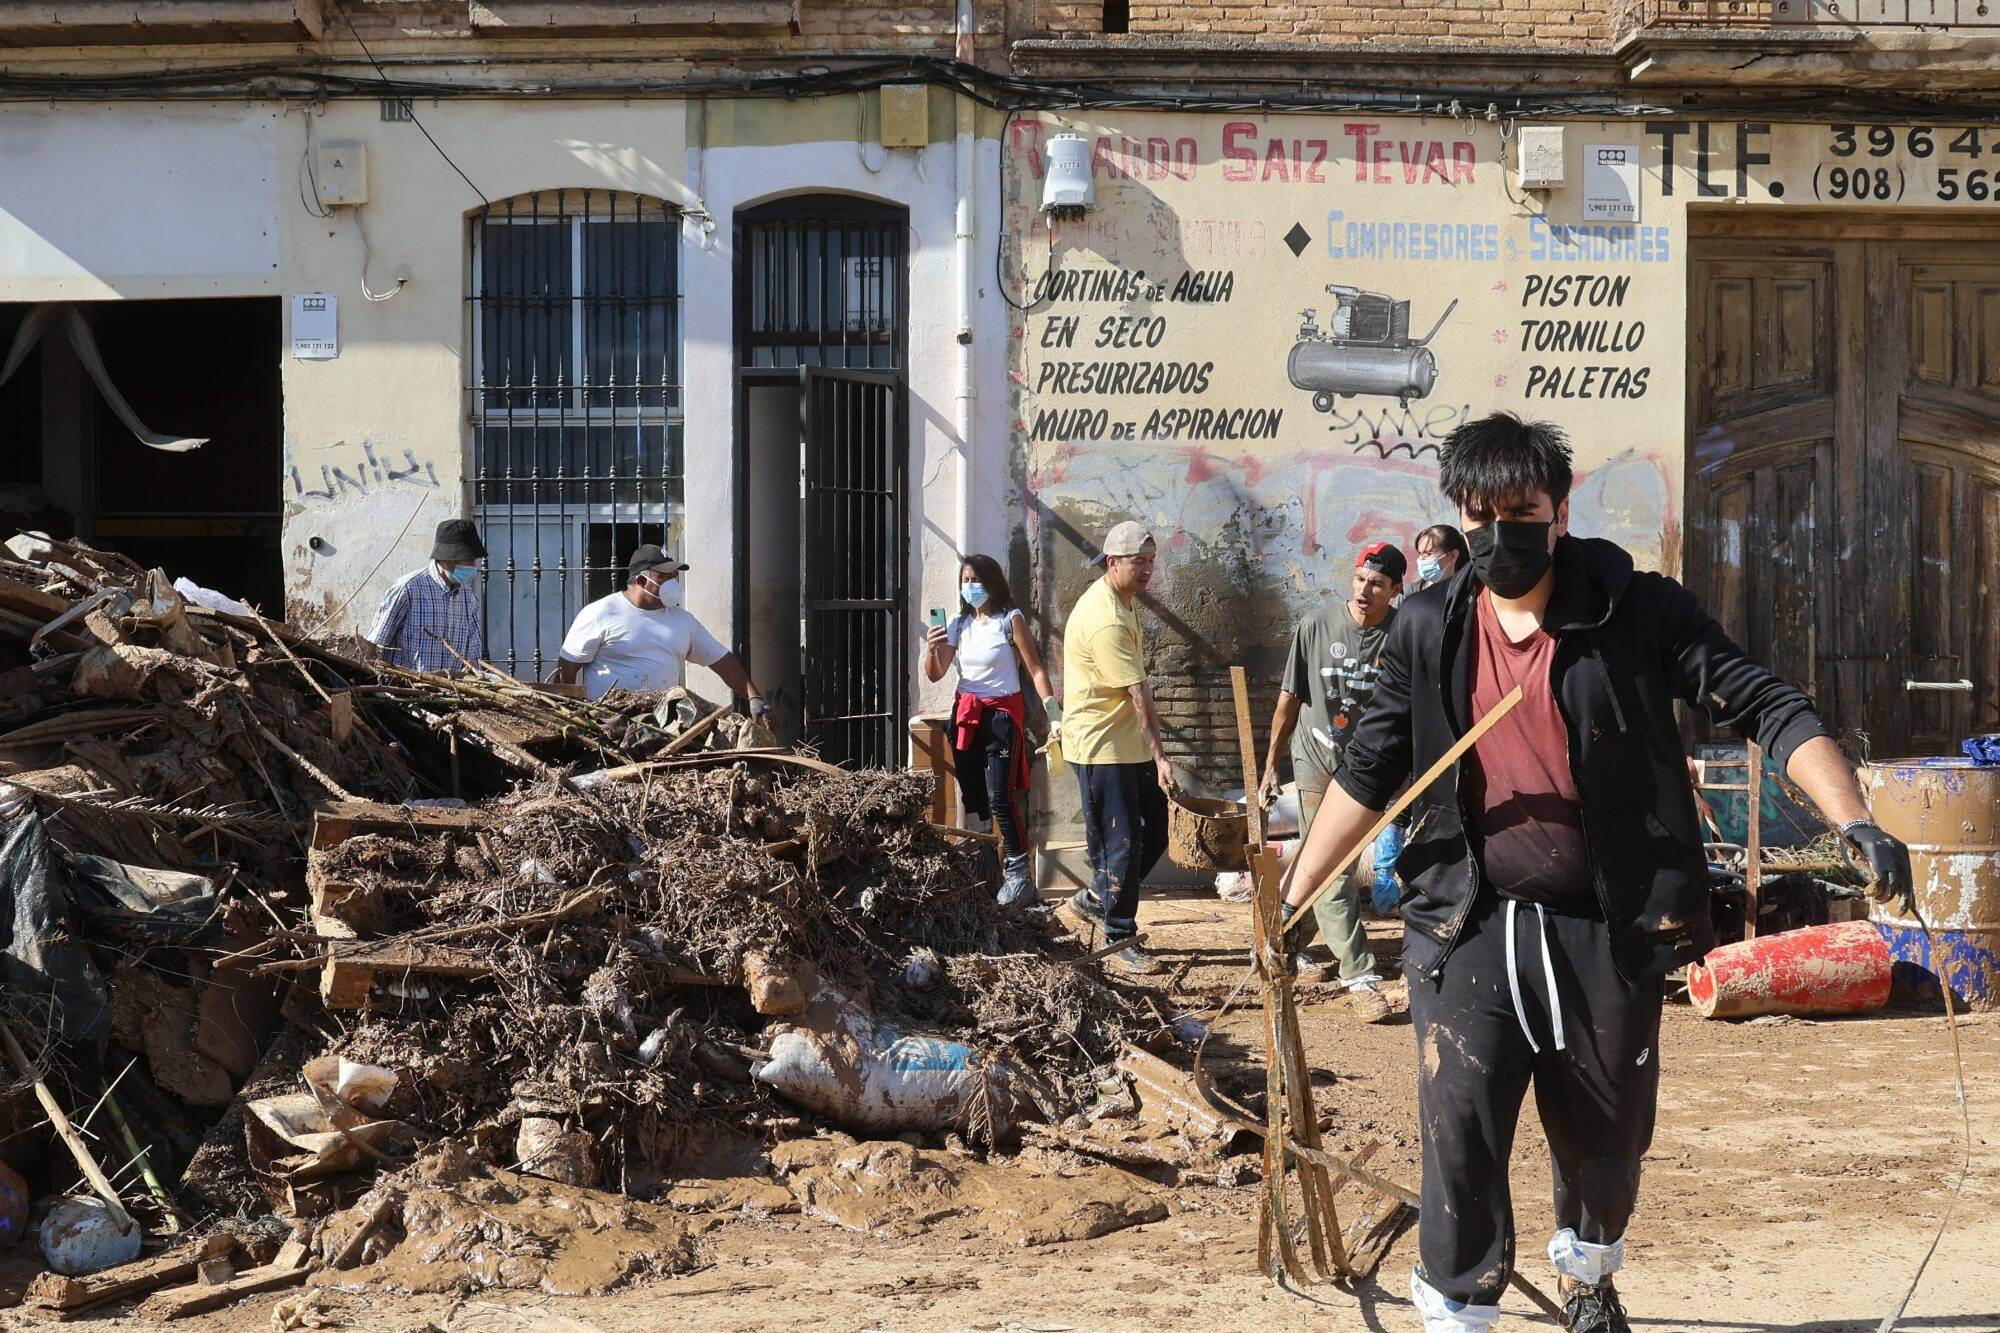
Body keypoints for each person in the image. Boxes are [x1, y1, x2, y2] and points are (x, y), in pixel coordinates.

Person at [1276, 413, 1913, 1333]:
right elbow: (1368, 773)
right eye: (1480, 515)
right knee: (1460, 1132)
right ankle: (1456, 1310)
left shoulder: (1636, 612)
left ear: (1560, 510)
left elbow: (1769, 706)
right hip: (1468, 919)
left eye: (1521, 511)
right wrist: (1291, 899)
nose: (1500, 534)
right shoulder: (1429, 625)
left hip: (1610, 925)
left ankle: (1588, 1271)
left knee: (1607, 1147)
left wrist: (1852, 817)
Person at [1258, 541, 1405, 1022]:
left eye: (1377, 584)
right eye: (1360, 579)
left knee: (1318, 864)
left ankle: (1283, 937)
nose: (1365, 591)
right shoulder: (1316, 626)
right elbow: (1288, 701)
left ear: (1395, 590)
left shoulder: (1403, 634)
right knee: (1337, 866)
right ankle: (1359, 975)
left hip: (1370, 770)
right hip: (1317, 759)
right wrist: (1269, 769)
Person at [1060, 521, 1175, 974]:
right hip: (1102, 746)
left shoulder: (1121, 602)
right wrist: (1162, 756)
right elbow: (1138, 693)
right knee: (1121, 842)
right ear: (1113, 563)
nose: (1147, 570)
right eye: (1137, 562)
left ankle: (1096, 898)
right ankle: (1119, 936)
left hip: (1125, 744)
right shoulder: (1106, 617)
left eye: (1150, 561)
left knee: (1157, 830)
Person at [922, 554, 1060, 907]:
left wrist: (1054, 713)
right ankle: (985, 870)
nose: (970, 587)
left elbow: (1035, 669)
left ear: (992, 582)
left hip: (1000, 715)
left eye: (976, 580)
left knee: (1000, 795)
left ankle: (1019, 873)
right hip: (967, 715)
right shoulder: (958, 623)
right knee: (974, 798)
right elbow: (936, 673)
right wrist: (931, 649)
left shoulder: (1009, 620)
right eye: (965, 581)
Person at [557, 544, 769, 718]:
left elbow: (721, 660)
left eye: (674, 577)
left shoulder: (683, 621)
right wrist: (572, 712)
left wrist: (754, 697)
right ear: (641, 580)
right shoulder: (601, 612)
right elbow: (567, 667)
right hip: (607, 720)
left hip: (662, 723)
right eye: (664, 577)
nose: (673, 584)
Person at [367, 518, 486, 674]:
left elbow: (473, 656)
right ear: (445, 559)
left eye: (473, 560)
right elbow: (373, 646)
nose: (472, 566)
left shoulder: (468, 596)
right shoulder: (408, 589)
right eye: (466, 560)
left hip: (452, 693)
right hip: (408, 691)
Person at [1412, 523, 1469, 592]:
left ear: (1452, 556)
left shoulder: (1470, 592)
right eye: (1420, 554)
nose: (1421, 559)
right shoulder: (1410, 593)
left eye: (1427, 553)